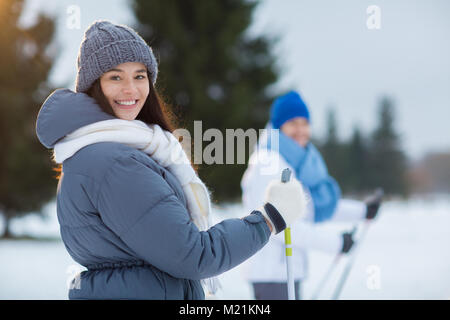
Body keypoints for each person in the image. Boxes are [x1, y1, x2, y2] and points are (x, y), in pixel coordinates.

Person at [35, 21, 308, 300]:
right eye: (115, 77)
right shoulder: (114, 163)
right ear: (94, 86)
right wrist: (269, 219)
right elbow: (194, 255)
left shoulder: (108, 151)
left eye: (140, 76)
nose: (131, 89)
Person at [241, 91, 382, 300]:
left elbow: (308, 208)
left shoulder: (295, 162)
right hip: (272, 274)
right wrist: (336, 243)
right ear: (279, 126)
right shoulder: (268, 163)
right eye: (293, 123)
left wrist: (362, 211)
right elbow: (281, 224)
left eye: (305, 123)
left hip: (287, 272)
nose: (300, 130)